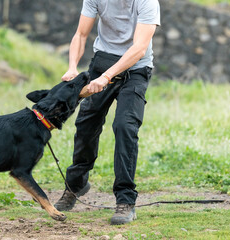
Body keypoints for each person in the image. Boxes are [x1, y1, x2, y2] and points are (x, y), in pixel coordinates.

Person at [54, 0, 161, 225]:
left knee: (125, 126)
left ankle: (125, 201)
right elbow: (81, 34)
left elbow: (139, 48)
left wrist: (106, 77)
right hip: (101, 63)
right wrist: (72, 67)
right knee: (86, 124)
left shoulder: (147, 1)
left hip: (136, 70)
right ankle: (76, 185)